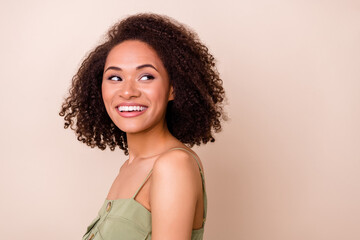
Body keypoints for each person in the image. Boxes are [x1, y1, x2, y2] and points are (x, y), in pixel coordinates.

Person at [59, 13, 226, 240]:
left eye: (146, 76)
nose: (127, 91)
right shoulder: (130, 167)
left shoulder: (173, 165)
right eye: (115, 78)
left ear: (173, 88)